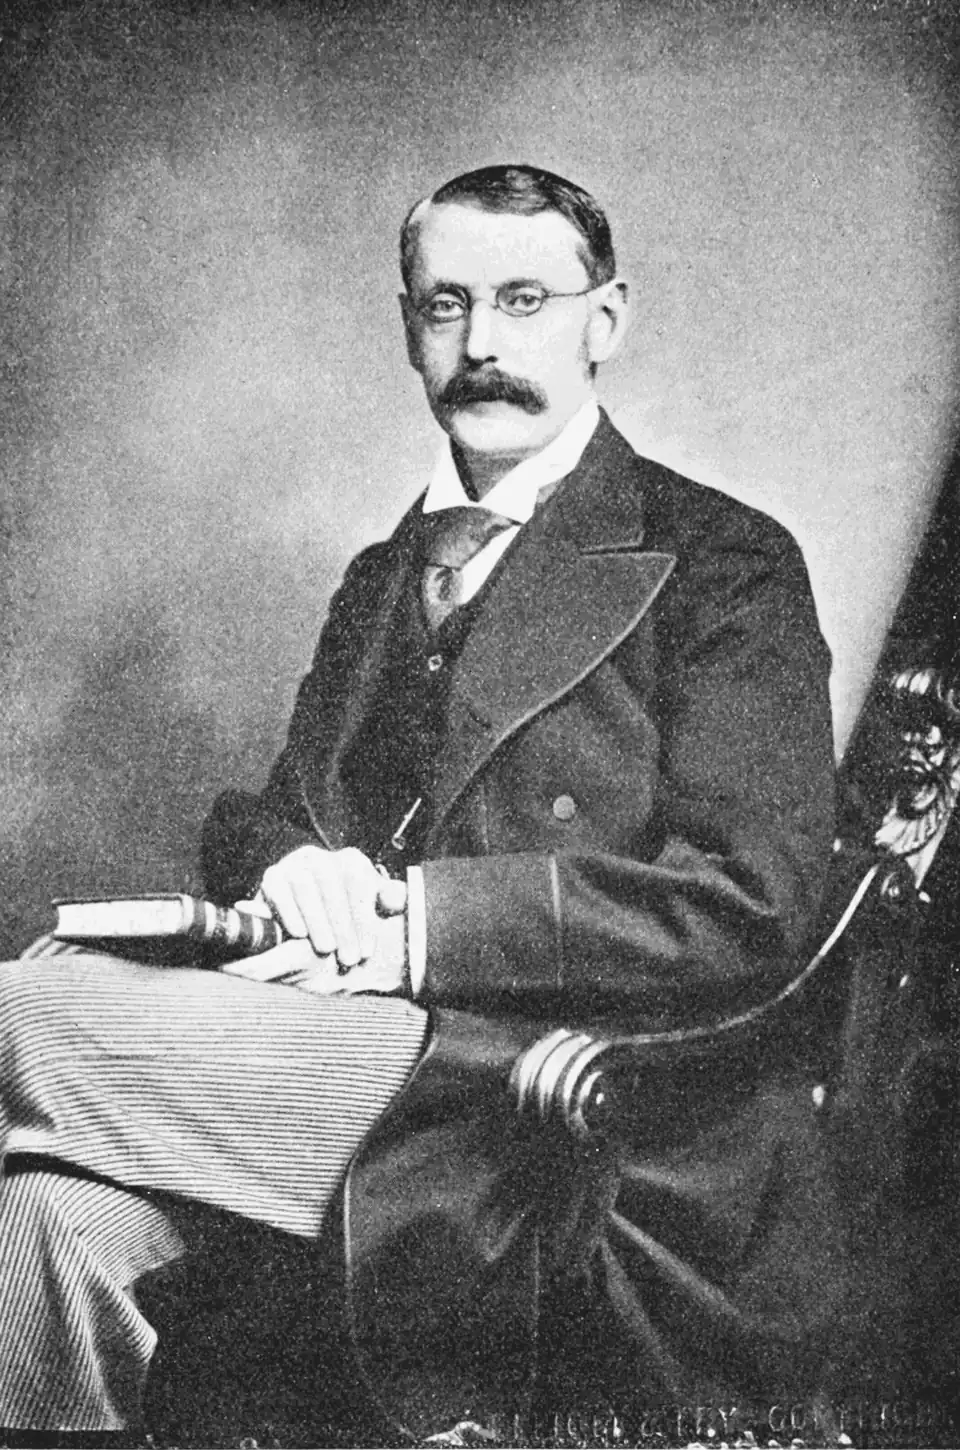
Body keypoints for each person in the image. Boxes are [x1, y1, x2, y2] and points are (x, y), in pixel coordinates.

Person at [0, 164, 842, 1443]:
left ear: (605, 320)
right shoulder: (383, 574)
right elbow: (284, 808)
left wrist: (417, 929)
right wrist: (288, 864)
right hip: (332, 1059)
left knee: (21, 1015)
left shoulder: (727, 563)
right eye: (447, 305)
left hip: (542, 1108)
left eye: (525, 299)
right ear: (409, 328)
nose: (483, 341)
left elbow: (749, 901)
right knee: (37, 1227)